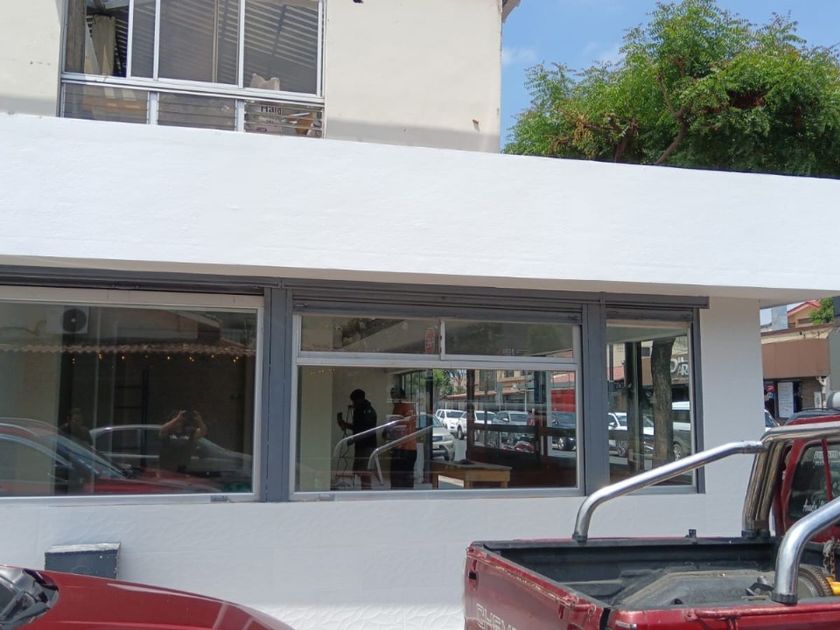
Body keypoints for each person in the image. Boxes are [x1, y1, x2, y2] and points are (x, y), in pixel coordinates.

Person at [338, 389, 378, 490]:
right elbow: (358, 427)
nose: (353, 404)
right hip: (361, 444)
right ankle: (364, 490)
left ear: (360, 399)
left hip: (367, 445)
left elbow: (366, 430)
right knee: (361, 471)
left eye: (354, 401)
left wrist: (353, 439)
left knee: (365, 471)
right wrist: (346, 425)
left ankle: (366, 492)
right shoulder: (360, 410)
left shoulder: (367, 411)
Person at [159, 409, 207, 474]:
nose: (179, 420)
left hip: (183, 468)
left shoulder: (189, 431)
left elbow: (203, 432)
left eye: (181, 418)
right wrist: (177, 418)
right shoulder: (167, 431)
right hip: (167, 468)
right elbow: (162, 429)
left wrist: (199, 420)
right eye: (176, 418)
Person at [387, 389, 416, 489]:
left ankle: (401, 495)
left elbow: (401, 425)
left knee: (399, 477)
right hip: (406, 447)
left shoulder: (403, 406)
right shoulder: (406, 406)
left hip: (404, 447)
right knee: (404, 477)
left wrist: (389, 430)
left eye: (393, 397)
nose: (392, 399)